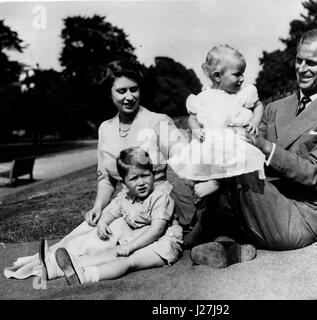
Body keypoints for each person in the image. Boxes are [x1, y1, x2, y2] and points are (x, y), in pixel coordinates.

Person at [4, 60, 191, 280]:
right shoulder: (106, 129)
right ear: (110, 93)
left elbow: (188, 159)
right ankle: (50, 263)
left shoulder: (157, 122)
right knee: (83, 235)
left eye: (134, 89)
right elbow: (106, 178)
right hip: (124, 204)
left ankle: (63, 270)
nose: (129, 96)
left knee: (96, 244)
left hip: (151, 211)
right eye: (121, 91)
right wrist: (98, 207)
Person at [190, 29, 317, 267]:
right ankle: (228, 243)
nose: (301, 68)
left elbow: (316, 174)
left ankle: (214, 233)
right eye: (299, 60)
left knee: (236, 161)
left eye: (311, 63)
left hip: (298, 215)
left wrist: (263, 146)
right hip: (260, 197)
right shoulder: (275, 108)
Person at [52, 147, 182, 285]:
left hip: (163, 245)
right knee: (112, 252)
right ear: (124, 183)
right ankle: (68, 267)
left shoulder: (159, 197)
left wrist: (131, 246)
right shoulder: (127, 197)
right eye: (134, 178)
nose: (141, 182)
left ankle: (85, 276)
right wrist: (103, 222)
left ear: (153, 174)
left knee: (126, 260)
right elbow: (112, 212)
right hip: (140, 241)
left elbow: (158, 230)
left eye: (145, 175)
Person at [168, 44, 265, 200]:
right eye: (237, 74)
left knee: (233, 164)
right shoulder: (203, 98)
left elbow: (258, 105)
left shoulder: (243, 93)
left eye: (243, 74)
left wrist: (255, 121)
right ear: (218, 76)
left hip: (236, 139)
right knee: (201, 161)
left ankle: (216, 183)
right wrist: (195, 130)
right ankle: (203, 184)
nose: (242, 79)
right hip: (211, 139)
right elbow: (192, 119)